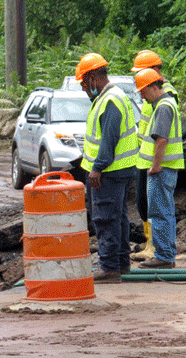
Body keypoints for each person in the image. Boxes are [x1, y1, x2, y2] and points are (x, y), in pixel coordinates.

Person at [75, 53, 138, 283]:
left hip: (109, 172)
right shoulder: (113, 97)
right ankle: (121, 264)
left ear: (93, 78)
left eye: (83, 83)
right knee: (118, 217)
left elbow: (108, 141)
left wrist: (97, 169)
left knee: (105, 219)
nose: (83, 89)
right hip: (120, 170)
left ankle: (110, 268)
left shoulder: (110, 101)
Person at [129, 50, 179, 261]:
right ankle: (159, 250)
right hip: (149, 159)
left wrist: (156, 165)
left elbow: (162, 138)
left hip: (160, 164)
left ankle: (163, 253)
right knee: (152, 208)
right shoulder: (158, 99)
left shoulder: (164, 101)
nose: (142, 95)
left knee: (159, 211)